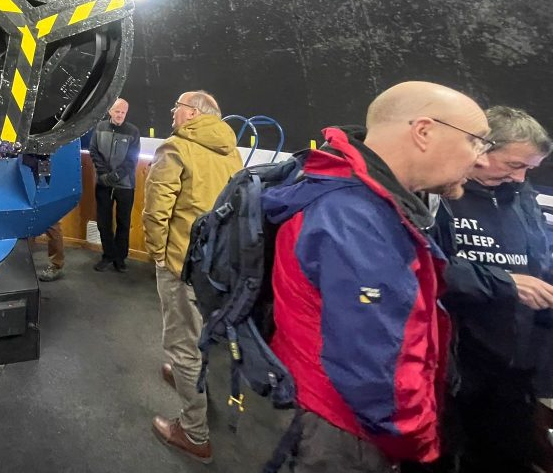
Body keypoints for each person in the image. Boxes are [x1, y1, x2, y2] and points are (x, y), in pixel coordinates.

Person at [265, 82, 491, 471]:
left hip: (327, 410)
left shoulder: (364, 203)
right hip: (342, 432)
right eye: (477, 141)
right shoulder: (356, 220)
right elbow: (375, 370)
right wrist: (423, 444)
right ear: (424, 132)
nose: (482, 161)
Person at [431, 106, 553, 472]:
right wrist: (506, 282)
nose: (520, 177)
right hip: (454, 366)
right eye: (514, 165)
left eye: (529, 168)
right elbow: (425, 270)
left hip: (513, 368)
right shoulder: (436, 193)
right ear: (480, 149)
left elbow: (538, 259)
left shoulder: (521, 196)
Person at [142, 90, 243, 463]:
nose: (173, 113)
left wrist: (158, 254)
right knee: (204, 332)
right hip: (217, 268)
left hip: (181, 264)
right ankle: (195, 382)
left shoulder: (176, 148)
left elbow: (156, 211)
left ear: (193, 113)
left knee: (182, 343)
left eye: (177, 107)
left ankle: (194, 433)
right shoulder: (231, 152)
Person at [89, 98, 141, 273]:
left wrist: (116, 175)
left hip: (125, 185)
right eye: (117, 111)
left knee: (123, 223)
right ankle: (108, 256)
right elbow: (93, 151)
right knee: (103, 222)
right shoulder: (100, 127)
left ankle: (120, 259)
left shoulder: (133, 131)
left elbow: (132, 159)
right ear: (110, 111)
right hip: (103, 183)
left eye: (123, 112)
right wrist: (104, 174)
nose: (120, 115)